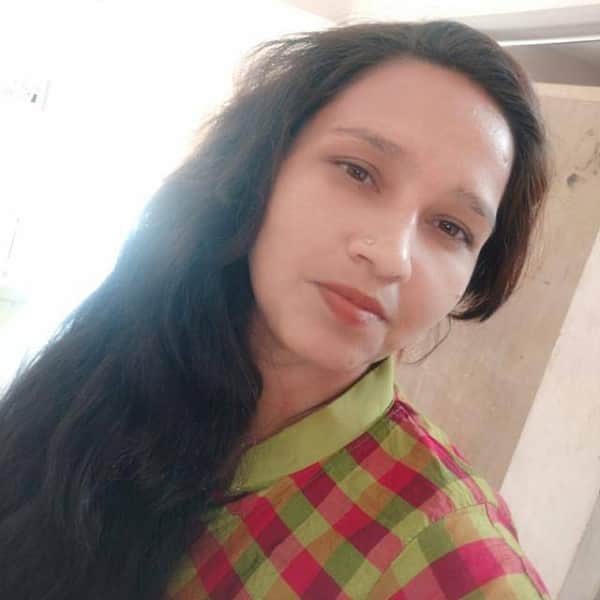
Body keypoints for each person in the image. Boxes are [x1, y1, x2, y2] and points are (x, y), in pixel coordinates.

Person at [0, 20, 550, 600]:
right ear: (261, 168)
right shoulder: (118, 352)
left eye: (451, 227)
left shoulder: (448, 561)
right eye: (358, 171)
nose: (392, 256)